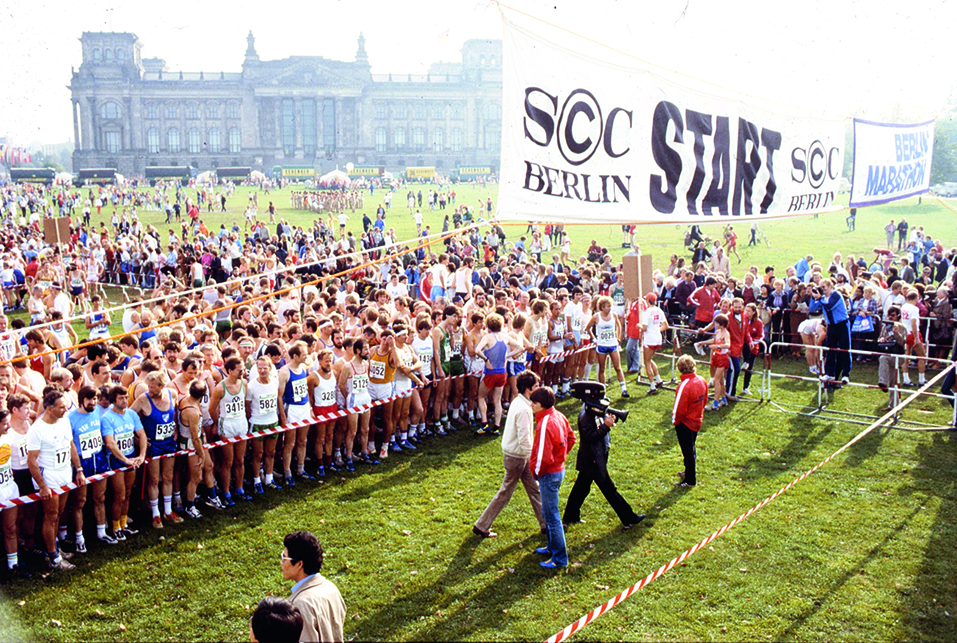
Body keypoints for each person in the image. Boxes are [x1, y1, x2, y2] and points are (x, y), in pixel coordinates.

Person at [472, 371, 545, 539]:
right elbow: (524, 439)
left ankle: (546, 524)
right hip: (517, 457)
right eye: (536, 386)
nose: (538, 389)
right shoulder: (525, 409)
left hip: (516, 456)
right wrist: (535, 460)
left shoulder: (517, 402)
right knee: (505, 493)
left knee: (535, 490)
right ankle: (482, 525)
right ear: (528, 389)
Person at [562, 390, 645, 530]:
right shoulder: (585, 416)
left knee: (581, 488)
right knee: (610, 491)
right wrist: (606, 426)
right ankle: (628, 518)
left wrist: (611, 420)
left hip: (592, 458)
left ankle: (570, 516)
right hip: (593, 460)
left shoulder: (592, 410)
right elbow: (590, 437)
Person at [28, 390, 84, 571]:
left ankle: (56, 549)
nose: (65, 410)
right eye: (61, 407)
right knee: (50, 515)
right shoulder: (37, 429)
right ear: (49, 409)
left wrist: (79, 469)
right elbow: (32, 461)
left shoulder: (64, 421)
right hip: (49, 476)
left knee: (59, 512)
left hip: (64, 473)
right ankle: (53, 557)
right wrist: (42, 486)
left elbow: (71, 446)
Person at [528, 386, 576, 569]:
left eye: (534, 403)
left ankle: (559, 558)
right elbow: (571, 439)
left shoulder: (545, 423)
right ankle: (551, 546)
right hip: (558, 470)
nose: (531, 405)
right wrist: (560, 457)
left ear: (542, 405)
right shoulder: (559, 415)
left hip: (549, 474)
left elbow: (541, 456)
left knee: (551, 515)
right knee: (548, 513)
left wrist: (536, 473)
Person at [282, 531, 346, 643]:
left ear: (299, 564)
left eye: (284, 558)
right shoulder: (331, 588)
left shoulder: (300, 604)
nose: (281, 562)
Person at [672, 355, 708, 487]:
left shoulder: (684, 385)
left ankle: (690, 480)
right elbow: (704, 400)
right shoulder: (702, 380)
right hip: (697, 419)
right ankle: (688, 471)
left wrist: (675, 421)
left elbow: (679, 408)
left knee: (688, 451)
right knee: (691, 448)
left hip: (686, 423)